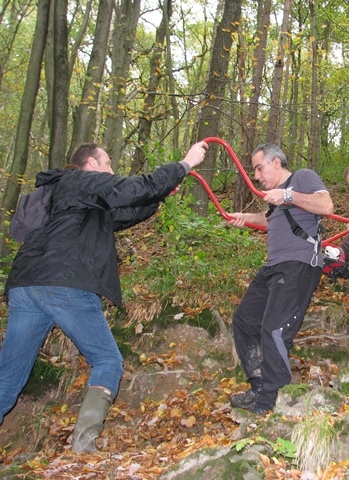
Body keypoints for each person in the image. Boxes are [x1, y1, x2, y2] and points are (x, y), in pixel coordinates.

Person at [0, 140, 209, 452]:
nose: (111, 170)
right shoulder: (79, 179)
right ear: (91, 164)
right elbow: (134, 188)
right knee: (108, 360)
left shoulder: (67, 195)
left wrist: (160, 196)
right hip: (63, 282)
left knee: (8, 378)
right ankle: (84, 449)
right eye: (108, 163)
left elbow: (122, 215)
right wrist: (184, 165)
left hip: (26, 285)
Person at [227, 143, 333, 414]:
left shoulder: (301, 178)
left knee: (274, 329)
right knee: (245, 319)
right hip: (274, 268)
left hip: (298, 264)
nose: (257, 176)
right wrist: (247, 217)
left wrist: (287, 195)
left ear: (276, 163)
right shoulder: (276, 198)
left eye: (259, 168)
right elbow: (270, 219)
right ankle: (260, 385)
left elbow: (326, 205)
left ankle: (270, 402)